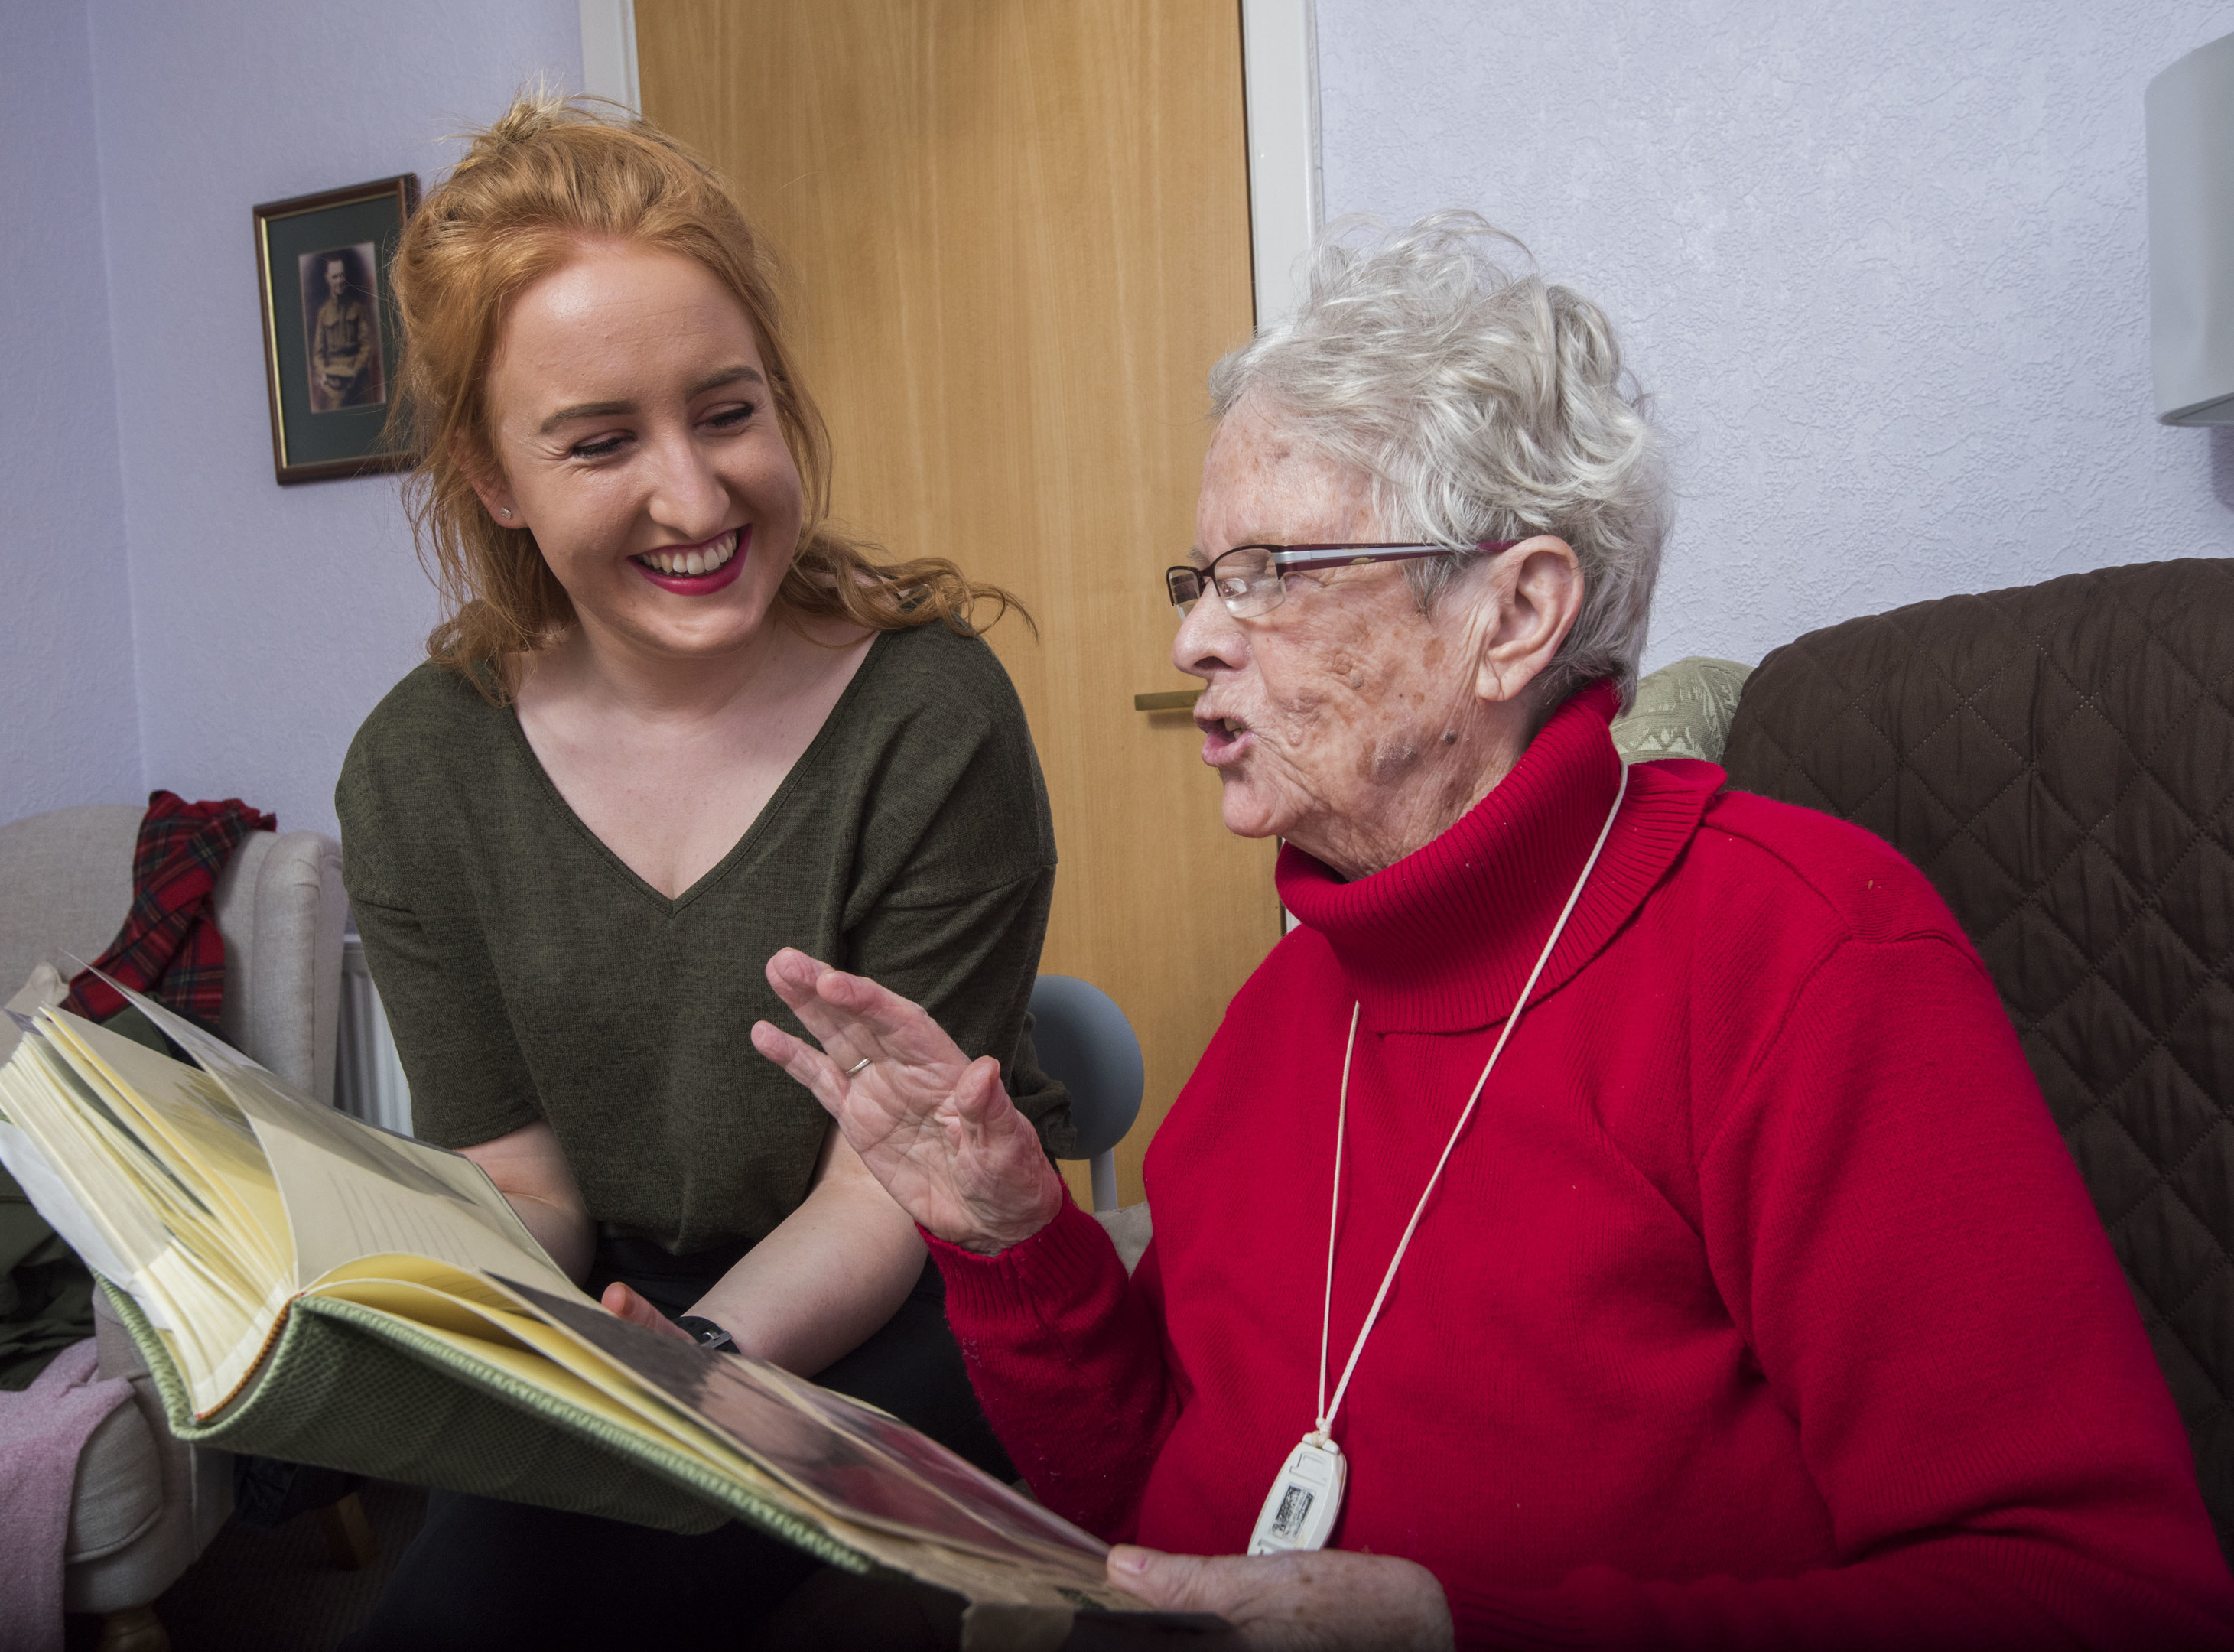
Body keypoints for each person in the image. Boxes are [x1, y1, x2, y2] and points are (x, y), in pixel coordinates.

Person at [717, 215, 2234, 1648]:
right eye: (1199, 579)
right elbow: (1146, 1504)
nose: (1190, 638)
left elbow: (2107, 1599)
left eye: (1270, 576)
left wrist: (1462, 1631)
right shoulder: (1280, 1015)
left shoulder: (1801, 953)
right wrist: (1007, 1241)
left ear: (1510, 617)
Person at [334, 93, 1071, 1647]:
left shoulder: (929, 717)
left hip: (897, 1287)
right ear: (493, 477)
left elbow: (883, 1192)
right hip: (613, 1307)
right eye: (602, 442)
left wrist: (688, 1368)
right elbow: (521, 1180)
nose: (694, 495)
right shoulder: (418, 767)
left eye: (725, 412)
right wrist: (462, 1318)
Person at [307, 249, 379, 409]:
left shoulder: (357, 309)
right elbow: (318, 353)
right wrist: (323, 375)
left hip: (357, 375)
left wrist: (355, 371)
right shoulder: (323, 313)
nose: (339, 281)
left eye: (341, 275)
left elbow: (366, 346)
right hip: (333, 381)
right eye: (335, 277)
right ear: (327, 279)